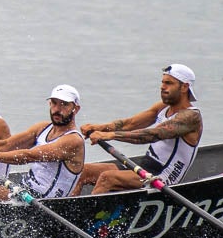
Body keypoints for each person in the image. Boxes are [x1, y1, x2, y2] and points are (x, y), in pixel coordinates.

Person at [74, 64, 203, 195]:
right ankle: (64, 207)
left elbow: (152, 135)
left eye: (169, 83)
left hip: (163, 179)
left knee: (107, 178)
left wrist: (110, 135)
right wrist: (98, 127)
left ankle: (87, 215)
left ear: (185, 87)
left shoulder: (191, 117)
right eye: (163, 82)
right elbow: (131, 123)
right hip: (145, 168)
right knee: (84, 171)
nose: (162, 87)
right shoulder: (163, 107)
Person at [0, 85, 85, 201]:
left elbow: (29, 156)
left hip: (45, 203)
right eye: (54, 103)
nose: (57, 109)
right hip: (26, 192)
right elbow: (6, 145)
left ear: (76, 109)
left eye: (64, 104)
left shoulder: (73, 140)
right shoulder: (42, 128)